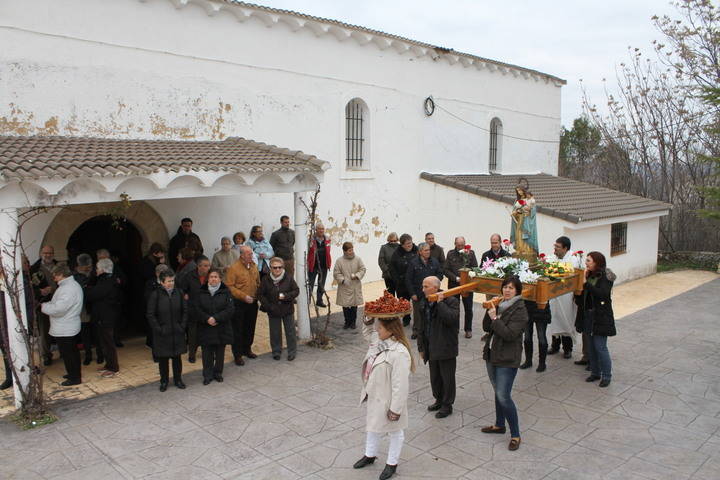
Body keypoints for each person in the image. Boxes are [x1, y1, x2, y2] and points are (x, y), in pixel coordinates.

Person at [353, 315, 414, 480]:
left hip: (388, 400)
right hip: (375, 395)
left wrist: (395, 409)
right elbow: (368, 334)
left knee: (395, 431)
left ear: (390, 330)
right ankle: (370, 455)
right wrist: (367, 320)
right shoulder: (379, 340)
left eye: (380, 328)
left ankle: (392, 464)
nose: (377, 330)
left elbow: (400, 386)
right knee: (373, 426)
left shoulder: (399, 353)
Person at [481, 276, 528, 451]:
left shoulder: (520, 310)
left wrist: (495, 318)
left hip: (508, 358)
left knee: (503, 395)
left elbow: (509, 334)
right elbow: (487, 328)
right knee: (497, 392)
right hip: (493, 354)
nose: (507, 290)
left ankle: (515, 434)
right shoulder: (500, 304)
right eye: (505, 287)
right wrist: (489, 311)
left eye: (511, 288)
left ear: (517, 291)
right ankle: (499, 425)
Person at [418, 277, 459, 418]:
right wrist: (421, 347)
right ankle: (438, 399)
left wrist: (440, 304)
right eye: (423, 286)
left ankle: (447, 405)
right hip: (430, 345)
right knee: (435, 377)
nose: (423, 289)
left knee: (447, 377)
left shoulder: (451, 301)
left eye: (426, 286)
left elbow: (451, 319)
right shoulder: (425, 301)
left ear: (435, 288)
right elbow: (421, 325)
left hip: (445, 346)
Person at [575, 251, 616, 387]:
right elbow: (582, 299)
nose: (586, 263)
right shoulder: (588, 275)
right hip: (588, 314)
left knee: (600, 347)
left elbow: (602, 294)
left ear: (597, 263)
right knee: (591, 346)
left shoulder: (605, 276)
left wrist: (586, 284)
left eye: (588, 261)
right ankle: (595, 372)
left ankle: (607, 375)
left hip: (600, 316)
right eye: (586, 260)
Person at [41, 264, 84, 386]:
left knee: (69, 353)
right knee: (71, 352)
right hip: (67, 325)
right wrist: (48, 304)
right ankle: (73, 373)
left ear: (61, 274)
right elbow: (58, 304)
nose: (54, 279)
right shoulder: (68, 286)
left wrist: (43, 307)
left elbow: (59, 309)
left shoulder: (68, 289)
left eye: (55, 276)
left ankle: (75, 377)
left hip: (65, 326)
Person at [146, 269, 187, 391]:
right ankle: (164, 381)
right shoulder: (155, 295)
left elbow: (185, 310)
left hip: (177, 331)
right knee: (163, 360)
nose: (171, 283)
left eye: (172, 280)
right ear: (162, 282)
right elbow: (150, 314)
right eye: (168, 281)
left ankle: (178, 379)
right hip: (163, 333)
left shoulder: (179, 293)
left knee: (177, 358)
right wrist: (159, 329)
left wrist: (182, 325)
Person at [194, 268, 234, 385]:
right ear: (208, 279)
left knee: (220, 353)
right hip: (205, 327)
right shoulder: (201, 292)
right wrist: (207, 318)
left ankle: (218, 373)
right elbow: (197, 309)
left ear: (220, 278)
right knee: (207, 353)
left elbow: (230, 309)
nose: (213, 279)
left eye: (216, 277)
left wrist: (216, 318)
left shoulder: (226, 292)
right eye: (211, 277)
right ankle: (207, 375)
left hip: (221, 327)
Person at [84, 258, 123, 378]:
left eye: (97, 268)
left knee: (108, 342)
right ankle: (109, 364)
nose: (95, 270)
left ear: (102, 269)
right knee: (104, 341)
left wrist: (87, 288)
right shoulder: (106, 279)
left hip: (106, 316)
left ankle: (113, 367)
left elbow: (93, 294)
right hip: (103, 315)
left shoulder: (107, 280)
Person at [548, 236, 583, 360]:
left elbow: (564, 272)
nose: (555, 249)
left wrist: (553, 270)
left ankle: (567, 349)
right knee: (554, 319)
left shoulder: (573, 259)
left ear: (565, 248)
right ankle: (555, 345)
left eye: (557, 247)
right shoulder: (552, 257)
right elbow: (549, 269)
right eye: (555, 246)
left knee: (566, 320)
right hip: (554, 296)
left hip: (567, 297)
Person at [259, 257, 300, 361]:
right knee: (275, 332)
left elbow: (296, 291)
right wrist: (268, 306)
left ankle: (292, 351)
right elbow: (260, 294)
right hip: (273, 310)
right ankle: (276, 351)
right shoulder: (265, 279)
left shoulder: (288, 278)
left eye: (279, 267)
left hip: (287, 309)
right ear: (270, 268)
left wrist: (285, 296)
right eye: (274, 267)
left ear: (283, 267)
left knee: (290, 332)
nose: (277, 269)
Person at [226, 245, 260, 365]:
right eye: (249, 254)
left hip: (253, 302)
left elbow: (258, 282)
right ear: (242, 255)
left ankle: (247, 349)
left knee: (250, 327)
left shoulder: (254, 266)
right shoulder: (234, 268)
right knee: (238, 329)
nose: (251, 256)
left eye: (251, 253)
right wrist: (243, 296)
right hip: (239, 303)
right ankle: (238, 354)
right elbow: (229, 286)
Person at [176, 255, 211, 363]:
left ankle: (208, 353)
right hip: (194, 309)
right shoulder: (189, 276)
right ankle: (192, 353)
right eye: (204, 266)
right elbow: (182, 289)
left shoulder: (212, 276)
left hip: (207, 310)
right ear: (198, 266)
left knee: (208, 333)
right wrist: (185, 294)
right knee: (193, 334)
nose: (207, 268)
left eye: (208, 266)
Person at [405, 243, 443, 340]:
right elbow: (408, 279)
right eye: (426, 250)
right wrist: (412, 293)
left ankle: (431, 331)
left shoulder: (434, 261)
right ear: (420, 252)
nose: (428, 252)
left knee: (432, 312)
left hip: (432, 294)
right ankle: (416, 331)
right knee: (418, 314)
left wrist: (434, 281)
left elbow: (440, 274)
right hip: (418, 293)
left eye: (429, 250)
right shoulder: (413, 263)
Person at [444, 236, 479, 338]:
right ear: (454, 244)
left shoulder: (471, 253)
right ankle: (455, 328)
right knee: (454, 307)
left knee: (468, 308)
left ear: (465, 244)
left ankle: (468, 329)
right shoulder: (450, 254)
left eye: (462, 245)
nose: (460, 247)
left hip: (467, 285)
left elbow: (475, 268)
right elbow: (445, 270)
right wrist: (455, 278)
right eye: (458, 245)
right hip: (454, 284)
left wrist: (467, 278)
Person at [30, 245, 57, 365]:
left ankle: (64, 351)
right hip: (43, 304)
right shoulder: (34, 269)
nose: (48, 255)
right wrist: (40, 292)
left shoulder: (59, 266)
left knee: (60, 328)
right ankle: (46, 355)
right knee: (44, 330)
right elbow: (31, 288)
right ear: (41, 253)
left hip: (59, 302)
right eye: (45, 253)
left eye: (50, 253)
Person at [74, 253, 100, 366]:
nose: (88, 268)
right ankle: (88, 355)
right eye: (86, 266)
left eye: (89, 266)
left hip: (94, 307)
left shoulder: (95, 274)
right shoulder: (75, 276)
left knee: (97, 333)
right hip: (83, 309)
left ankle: (100, 354)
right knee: (85, 335)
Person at [333, 242, 366, 329]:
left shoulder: (358, 259)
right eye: (349, 250)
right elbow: (336, 273)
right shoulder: (339, 261)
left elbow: (363, 269)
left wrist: (357, 275)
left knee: (354, 305)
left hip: (355, 286)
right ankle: (347, 322)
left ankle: (353, 322)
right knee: (346, 306)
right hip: (344, 287)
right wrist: (343, 280)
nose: (351, 252)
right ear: (344, 251)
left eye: (352, 249)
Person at [389, 234, 417, 327]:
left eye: (411, 242)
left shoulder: (417, 250)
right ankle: (406, 319)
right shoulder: (397, 253)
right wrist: (397, 280)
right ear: (402, 245)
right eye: (407, 243)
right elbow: (392, 268)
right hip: (402, 283)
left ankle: (418, 320)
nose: (410, 245)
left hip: (415, 283)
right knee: (404, 302)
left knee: (417, 302)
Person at [520, 300, 551, 372]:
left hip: (541, 310)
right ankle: (528, 361)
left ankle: (542, 363)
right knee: (527, 337)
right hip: (527, 309)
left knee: (541, 337)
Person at [510, 183, 538, 257]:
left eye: (520, 190)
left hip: (527, 220)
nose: (519, 192)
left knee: (526, 234)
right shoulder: (518, 200)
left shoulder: (530, 200)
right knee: (519, 235)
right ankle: (520, 249)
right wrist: (515, 213)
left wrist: (528, 210)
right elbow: (515, 210)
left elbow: (533, 210)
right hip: (519, 220)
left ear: (523, 190)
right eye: (517, 191)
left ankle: (527, 250)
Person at [307, 223, 331, 308]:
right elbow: (308, 251)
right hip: (313, 266)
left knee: (321, 284)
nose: (321, 230)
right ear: (316, 230)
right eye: (319, 229)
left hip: (324, 266)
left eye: (322, 229)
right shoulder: (311, 239)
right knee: (310, 284)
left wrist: (328, 264)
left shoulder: (327, 239)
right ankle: (308, 300)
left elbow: (328, 251)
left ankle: (319, 301)